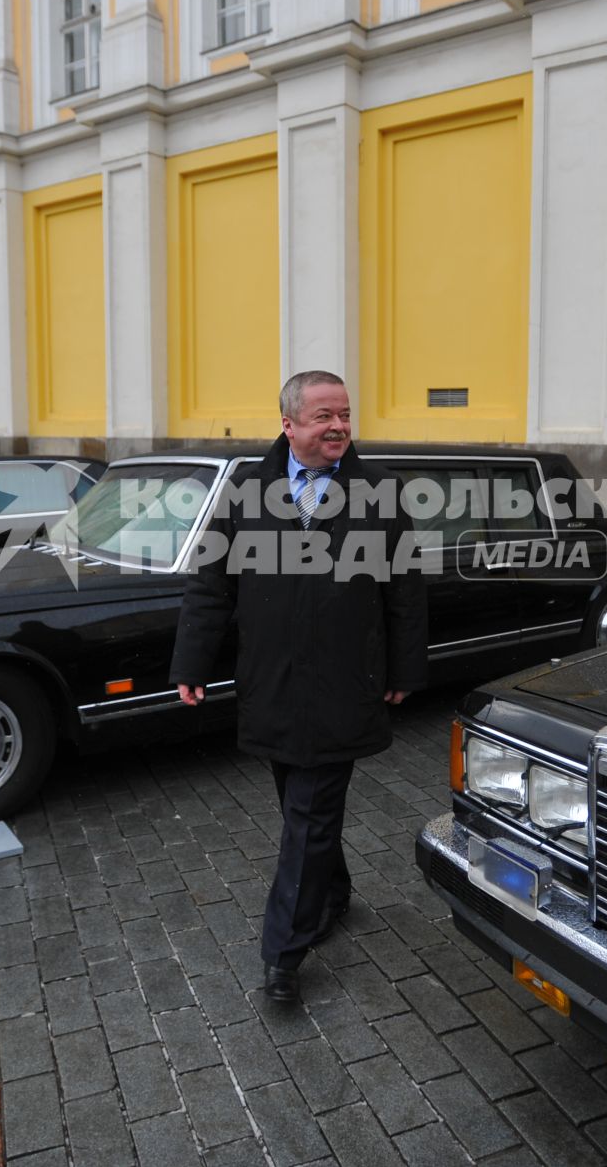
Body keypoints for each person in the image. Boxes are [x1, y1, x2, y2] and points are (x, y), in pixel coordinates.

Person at [170, 370, 427, 1004]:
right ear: (289, 425)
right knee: (300, 806)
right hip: (275, 686)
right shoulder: (247, 494)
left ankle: (283, 952)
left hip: (346, 685)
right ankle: (333, 895)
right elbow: (211, 587)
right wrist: (191, 664)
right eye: (323, 417)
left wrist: (404, 671)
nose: (339, 425)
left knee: (308, 817)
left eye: (344, 414)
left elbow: (406, 594)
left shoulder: (380, 495)